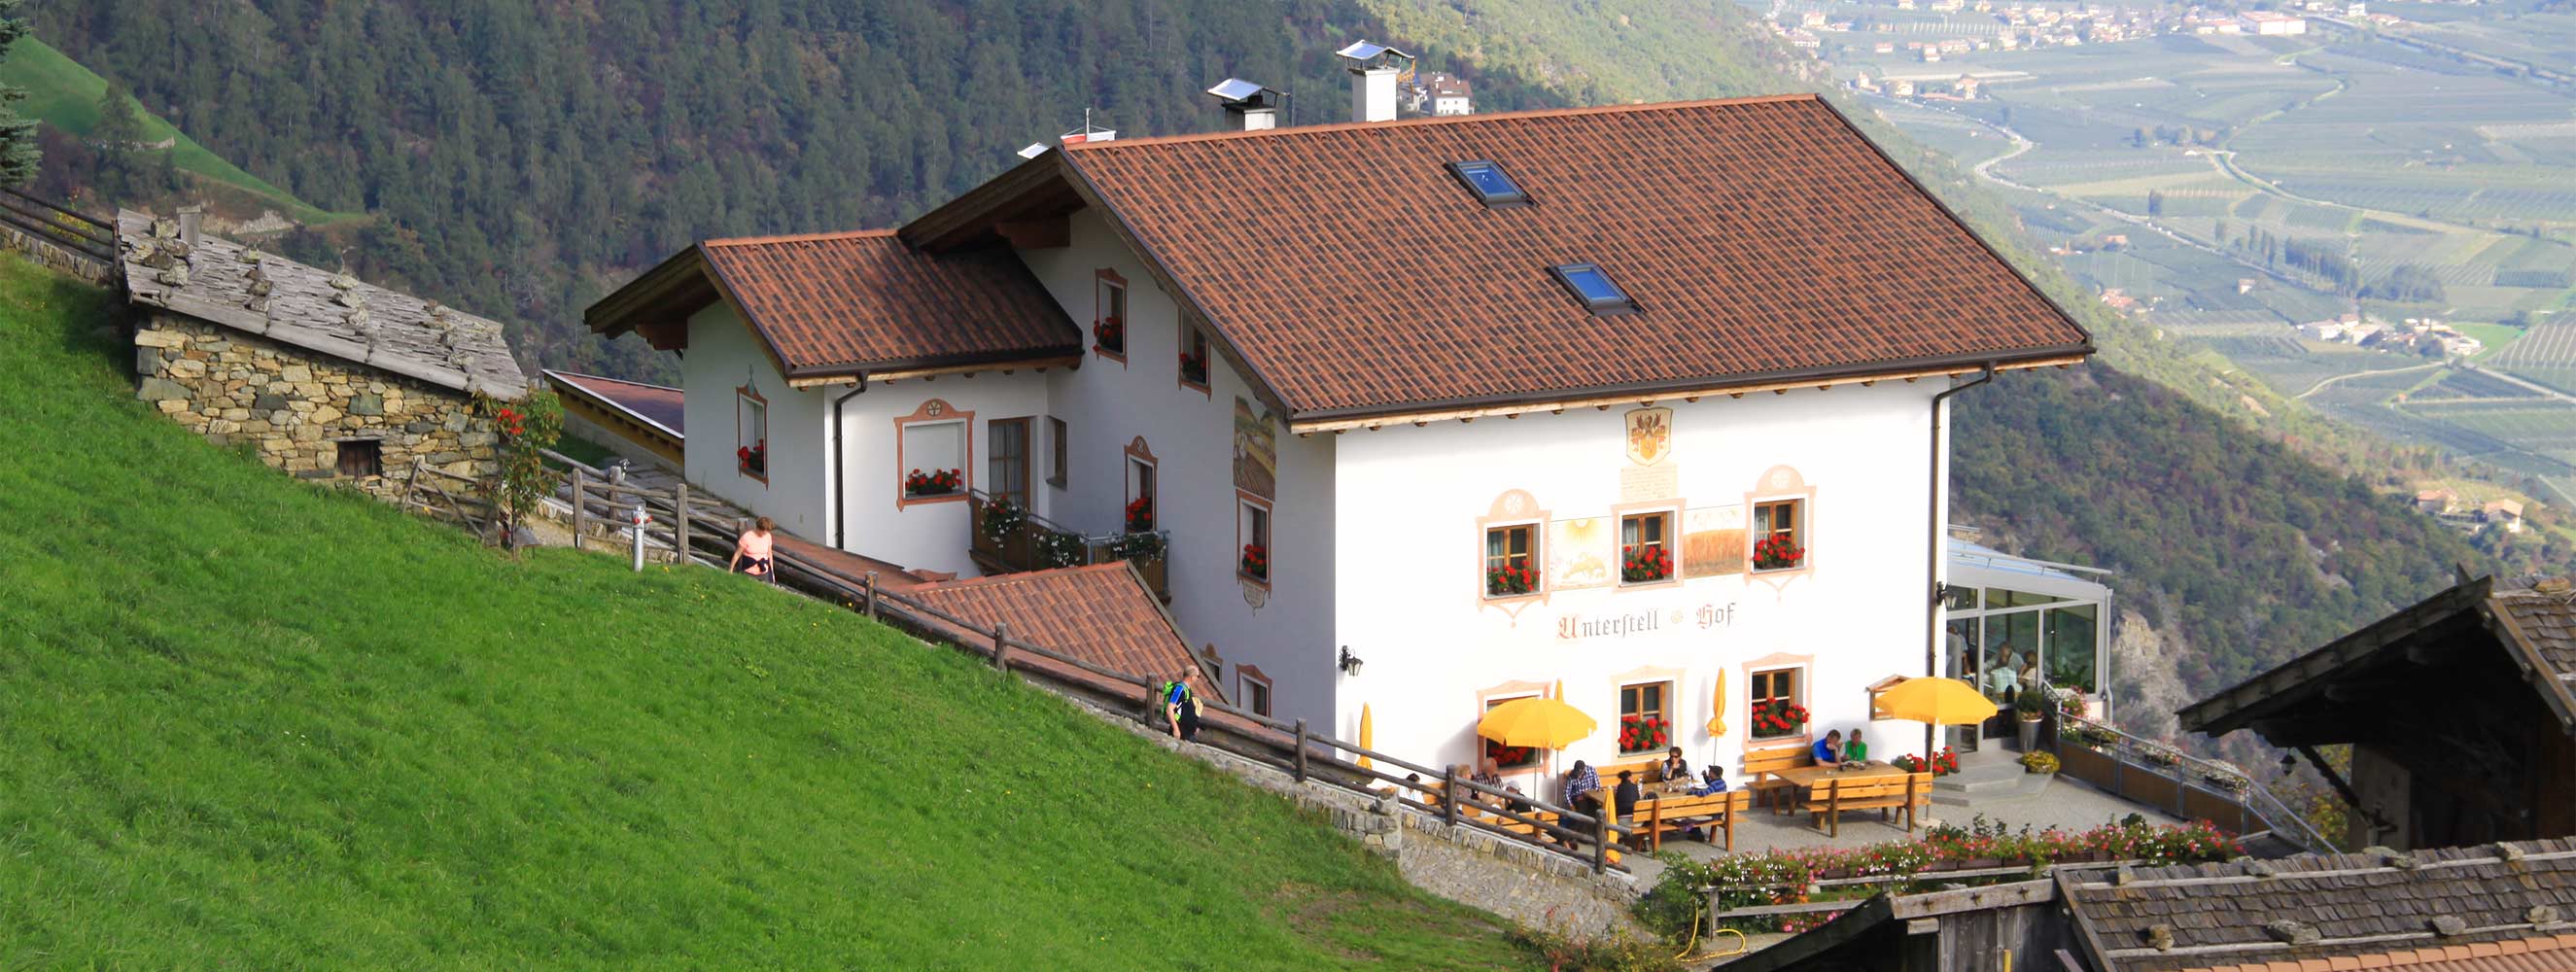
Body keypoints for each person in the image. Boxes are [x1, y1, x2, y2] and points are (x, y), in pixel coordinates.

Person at [1159, 672, 1202, 743]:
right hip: (1181, 731)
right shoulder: (1180, 689)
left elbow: (1188, 709)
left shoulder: (1187, 689)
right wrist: (1176, 730)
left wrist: (1195, 725)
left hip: (1188, 731)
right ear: (1192, 677)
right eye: (1197, 676)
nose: (1197, 678)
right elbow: (1169, 709)